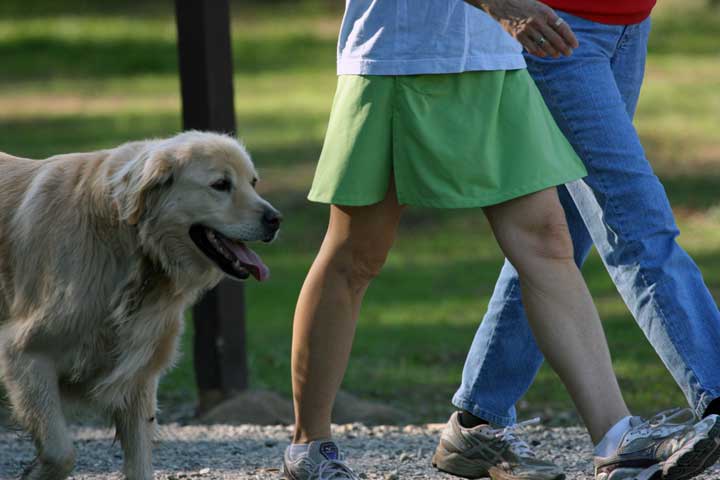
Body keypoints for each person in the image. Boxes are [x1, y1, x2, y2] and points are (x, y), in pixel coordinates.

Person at [280, 1, 720, 479]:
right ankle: (310, 444)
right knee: (356, 257)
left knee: (549, 244)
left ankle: (616, 438)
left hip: (496, 54)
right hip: (399, 54)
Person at [433, 0, 720, 479]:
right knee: (634, 219)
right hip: (556, 28)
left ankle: (476, 421)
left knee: (559, 238)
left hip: (628, 25)